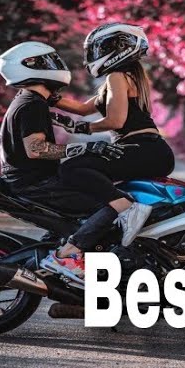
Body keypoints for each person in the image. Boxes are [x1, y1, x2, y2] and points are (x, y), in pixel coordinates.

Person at [39, 24, 175, 285]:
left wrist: (81, 128)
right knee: (86, 173)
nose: (93, 54)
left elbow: (115, 120)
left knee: (72, 168)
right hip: (149, 150)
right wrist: (46, 96)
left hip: (142, 149)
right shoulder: (123, 77)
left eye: (98, 49)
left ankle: (121, 211)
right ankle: (107, 223)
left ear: (115, 49)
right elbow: (81, 109)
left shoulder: (117, 77)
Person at [0, 42, 121, 216]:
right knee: (108, 207)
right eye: (48, 61)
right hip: (37, 185)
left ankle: (60, 241)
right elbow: (36, 149)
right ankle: (76, 244)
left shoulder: (26, 100)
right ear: (30, 66)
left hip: (28, 183)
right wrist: (87, 147)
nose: (56, 65)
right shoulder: (32, 104)